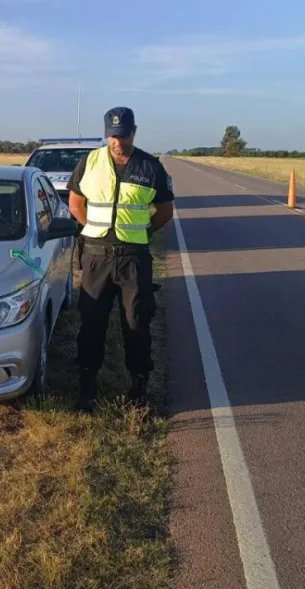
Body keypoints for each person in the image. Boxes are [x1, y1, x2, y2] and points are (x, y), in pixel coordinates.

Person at [66, 106, 175, 411]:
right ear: (106, 134)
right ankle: (87, 388)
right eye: (112, 135)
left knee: (136, 324)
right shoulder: (90, 162)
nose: (117, 141)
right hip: (96, 258)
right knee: (91, 325)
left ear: (134, 132)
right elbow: (75, 204)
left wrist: (141, 231)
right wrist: (94, 231)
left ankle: (138, 388)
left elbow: (165, 211)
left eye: (123, 135)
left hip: (133, 259)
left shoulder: (150, 166)